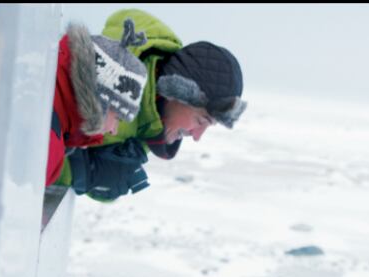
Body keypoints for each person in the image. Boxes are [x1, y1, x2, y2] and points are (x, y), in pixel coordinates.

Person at [54, 9, 246, 201]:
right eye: (200, 120)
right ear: (177, 94)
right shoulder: (109, 82)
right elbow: (36, 150)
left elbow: (104, 186)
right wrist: (78, 172)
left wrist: (95, 175)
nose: (197, 136)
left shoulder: (153, 119)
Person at [46, 18, 149, 187]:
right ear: (101, 102)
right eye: (118, 118)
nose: (113, 131)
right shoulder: (49, 141)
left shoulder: (50, 106)